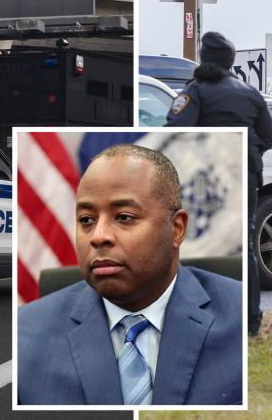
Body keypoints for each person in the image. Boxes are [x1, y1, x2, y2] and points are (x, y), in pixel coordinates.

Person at [16, 144, 242, 406]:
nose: (99, 236)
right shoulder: (26, 334)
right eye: (86, 220)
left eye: (123, 217)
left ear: (177, 229)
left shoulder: (240, 319)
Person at [165, 31, 272, 337]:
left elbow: (177, 127)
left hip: (208, 178)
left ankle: (208, 320)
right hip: (246, 173)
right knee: (246, 245)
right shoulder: (250, 93)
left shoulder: (196, 91)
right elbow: (269, 136)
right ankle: (251, 321)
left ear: (204, 58)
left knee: (204, 245)